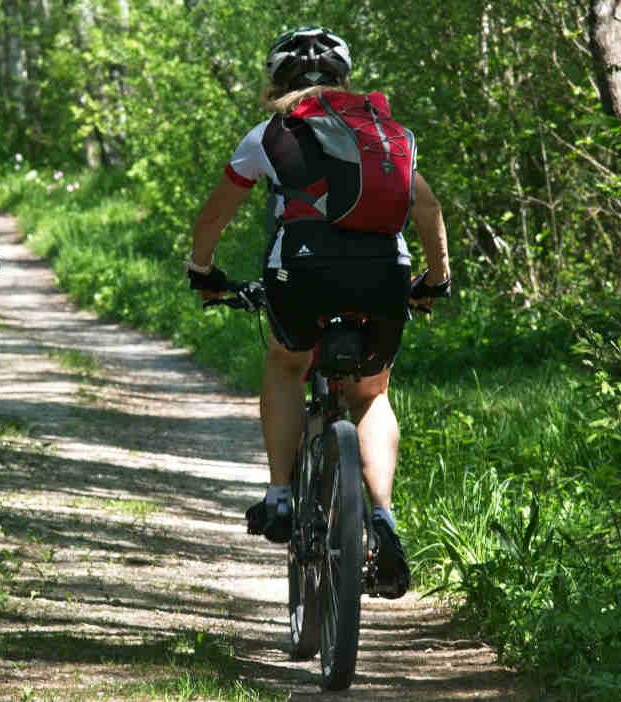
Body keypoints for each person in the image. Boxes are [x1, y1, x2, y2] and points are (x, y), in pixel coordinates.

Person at [185, 27, 451, 598]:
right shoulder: (385, 132)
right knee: (372, 394)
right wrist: (435, 281)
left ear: (276, 81)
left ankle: (280, 496)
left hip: (301, 274)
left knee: (286, 363)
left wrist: (202, 272)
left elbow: (213, 218)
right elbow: (426, 206)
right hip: (385, 275)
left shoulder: (269, 134)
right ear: (343, 79)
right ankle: (383, 518)